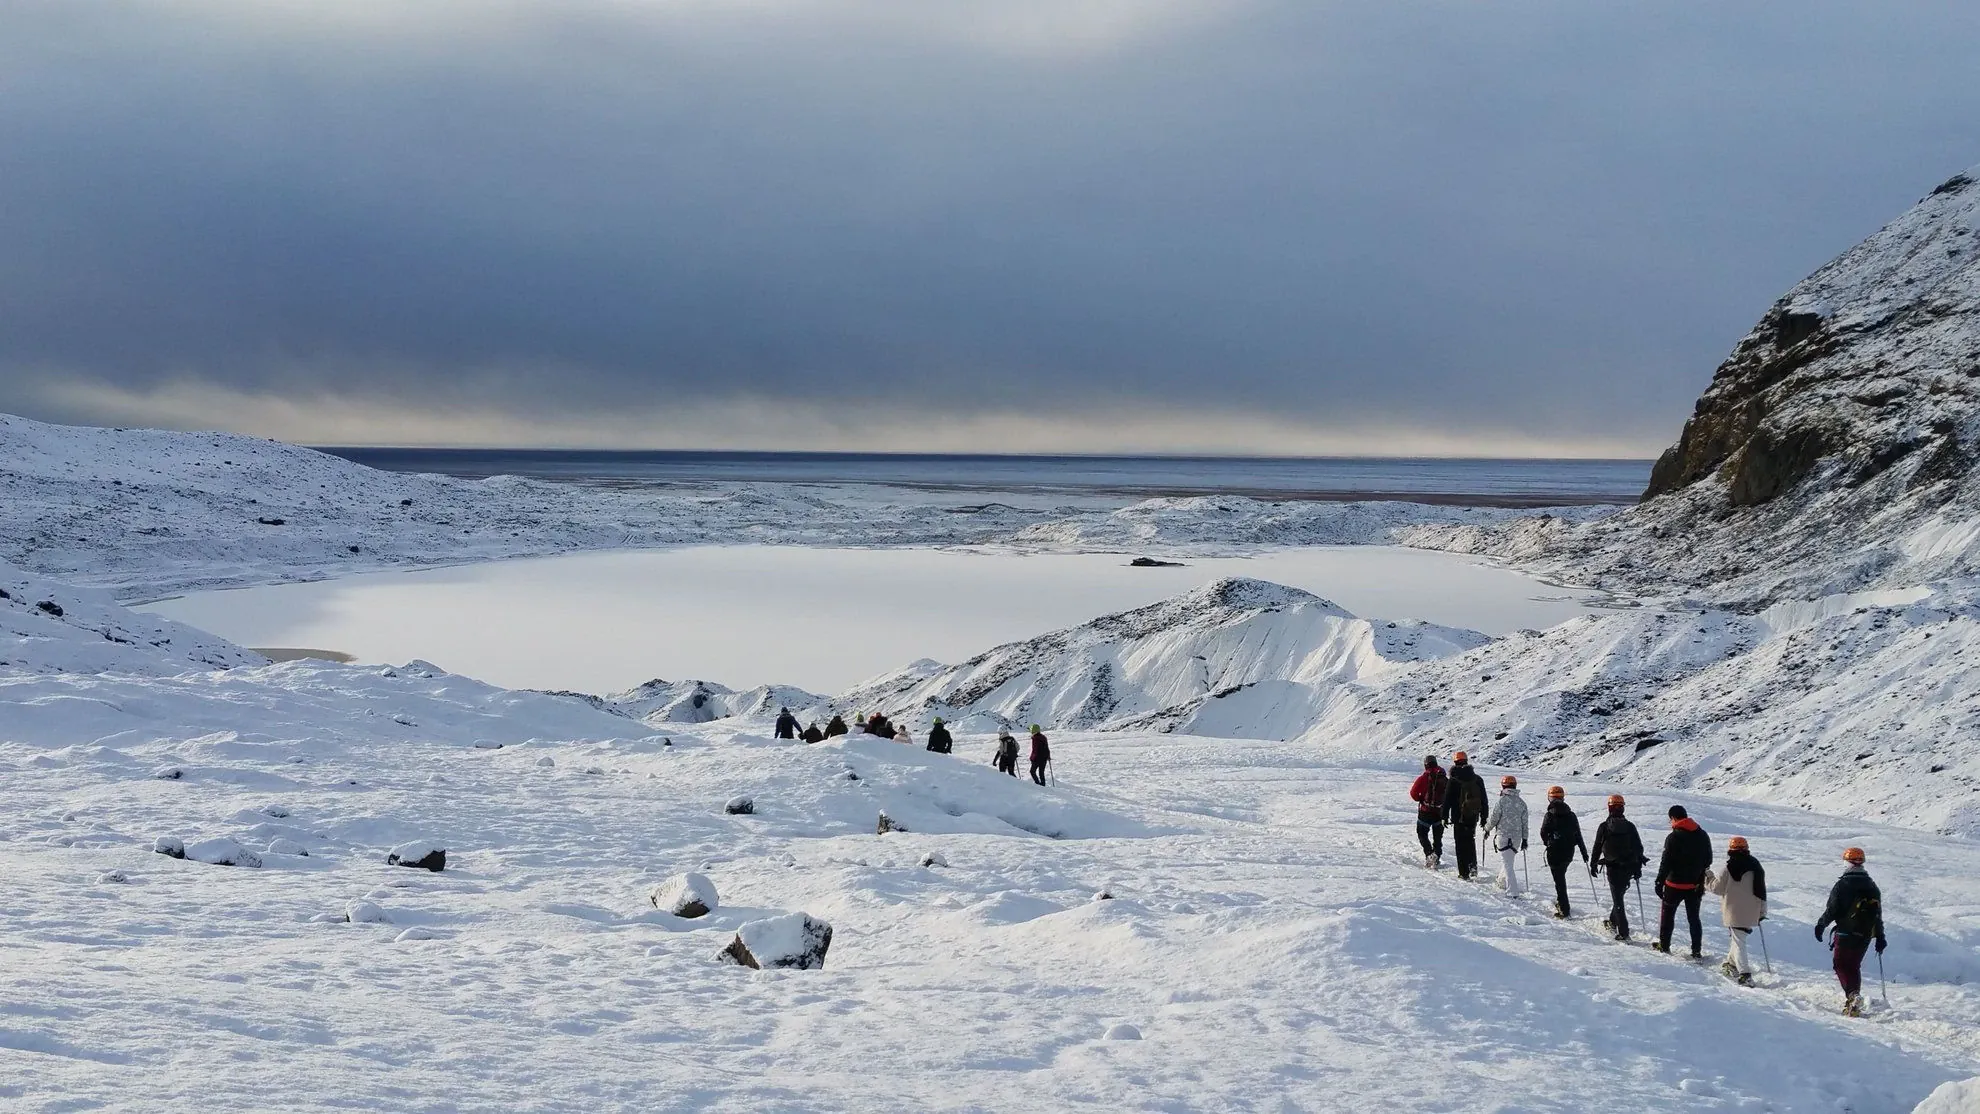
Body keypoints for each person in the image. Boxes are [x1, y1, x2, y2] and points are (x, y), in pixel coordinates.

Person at [1813, 847, 1886, 1016]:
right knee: (1853, 966)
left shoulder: (1843, 884)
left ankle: (1853, 996)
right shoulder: (1872, 886)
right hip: (1866, 933)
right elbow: (1877, 914)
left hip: (1846, 932)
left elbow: (1832, 910)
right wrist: (1880, 936)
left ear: (1846, 862)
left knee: (1840, 965)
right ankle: (1854, 999)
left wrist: (1821, 925)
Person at [1704, 836, 1767, 985]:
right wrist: (1762, 911)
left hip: (1734, 911)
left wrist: (1708, 876)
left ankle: (1745, 974)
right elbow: (1762, 891)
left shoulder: (1728, 868)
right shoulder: (1756, 866)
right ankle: (1731, 964)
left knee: (1739, 941)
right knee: (1738, 938)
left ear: (1731, 849)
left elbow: (1716, 888)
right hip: (1753, 910)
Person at [1653, 805, 1712, 957]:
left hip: (1673, 885)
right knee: (1694, 918)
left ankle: (1664, 946)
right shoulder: (1702, 835)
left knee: (1667, 916)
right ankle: (1696, 951)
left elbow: (1665, 862)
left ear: (1673, 818)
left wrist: (1659, 882)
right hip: (1695, 885)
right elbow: (1708, 860)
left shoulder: (1673, 837)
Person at [1589, 794, 1646, 941]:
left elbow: (1597, 846)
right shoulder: (1630, 826)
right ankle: (1613, 922)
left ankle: (1624, 932)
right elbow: (1638, 848)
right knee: (1619, 896)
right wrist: (1637, 867)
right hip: (1628, 867)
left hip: (1613, 867)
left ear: (1609, 808)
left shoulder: (1604, 827)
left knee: (1618, 899)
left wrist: (1593, 863)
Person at [1538, 786, 1589, 919]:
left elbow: (1543, 832)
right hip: (1568, 852)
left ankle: (1564, 909)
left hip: (1554, 852)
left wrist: (1547, 842)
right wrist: (1584, 853)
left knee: (1559, 880)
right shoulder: (1571, 815)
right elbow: (1578, 834)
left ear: (1550, 798)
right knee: (1560, 878)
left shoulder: (1549, 815)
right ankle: (1562, 903)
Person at [1444, 752, 1490, 880]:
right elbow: (1484, 800)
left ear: (1455, 762)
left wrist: (1444, 817)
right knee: (1470, 840)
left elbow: (1447, 800)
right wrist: (1484, 817)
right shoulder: (1477, 779)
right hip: (1472, 816)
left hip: (1458, 817)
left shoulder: (1453, 780)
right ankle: (1473, 867)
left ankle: (1463, 872)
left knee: (1460, 843)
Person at [1482, 775, 1529, 897]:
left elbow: (1494, 819)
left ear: (1503, 786)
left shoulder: (1501, 802)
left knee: (1508, 864)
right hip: (1517, 838)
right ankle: (1501, 882)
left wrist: (1487, 829)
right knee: (1508, 861)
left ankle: (1512, 891)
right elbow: (1525, 823)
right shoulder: (1522, 803)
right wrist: (1525, 839)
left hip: (1503, 836)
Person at [1408, 755, 1449, 869]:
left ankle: (1429, 854)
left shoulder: (1424, 778)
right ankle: (1437, 856)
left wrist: (1420, 799)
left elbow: (1413, 793)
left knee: (1422, 834)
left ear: (1426, 765)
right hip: (1439, 812)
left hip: (1425, 811)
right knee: (1438, 837)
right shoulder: (1444, 778)